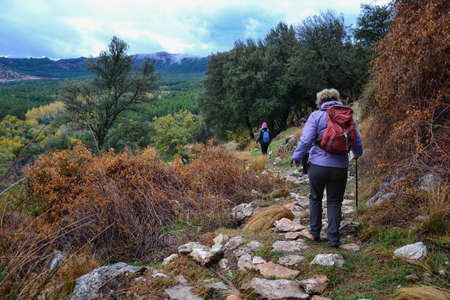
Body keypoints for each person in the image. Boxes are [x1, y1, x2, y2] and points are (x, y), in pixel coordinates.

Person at [292, 88, 363, 247]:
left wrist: (297, 157)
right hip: (340, 167)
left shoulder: (316, 116)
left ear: (320, 102)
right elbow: (356, 141)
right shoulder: (346, 116)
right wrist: (357, 154)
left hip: (318, 165)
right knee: (334, 201)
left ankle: (315, 232)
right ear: (337, 100)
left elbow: (306, 140)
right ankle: (333, 238)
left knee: (315, 197)